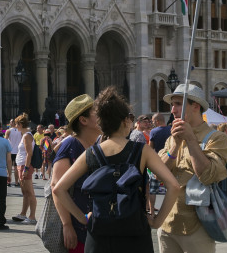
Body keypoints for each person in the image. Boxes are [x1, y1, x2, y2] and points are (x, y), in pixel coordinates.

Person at [54, 87, 180, 253]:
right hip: (134, 233)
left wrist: (83, 218)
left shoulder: (90, 153)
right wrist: (157, 221)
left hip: (98, 233)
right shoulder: (142, 151)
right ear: (125, 121)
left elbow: (58, 189)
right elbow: (174, 186)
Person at [156, 83, 227, 253]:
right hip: (168, 223)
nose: (173, 110)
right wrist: (174, 147)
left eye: (178, 104)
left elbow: (208, 176)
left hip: (198, 227)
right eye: (172, 104)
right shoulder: (171, 137)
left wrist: (190, 139)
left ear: (195, 106)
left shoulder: (216, 138)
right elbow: (159, 175)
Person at [52, 94, 101, 252]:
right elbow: (56, 186)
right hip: (78, 230)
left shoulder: (99, 145)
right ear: (84, 120)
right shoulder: (71, 145)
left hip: (96, 229)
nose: (102, 115)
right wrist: (66, 224)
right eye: (97, 112)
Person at [11, 114, 37, 223]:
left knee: (30, 192)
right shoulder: (24, 135)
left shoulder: (27, 136)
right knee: (25, 192)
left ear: (20, 124)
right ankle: (23, 213)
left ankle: (32, 216)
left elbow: (29, 153)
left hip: (25, 166)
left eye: (16, 124)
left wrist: (25, 169)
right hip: (20, 165)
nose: (15, 126)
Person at [148, 113, 173, 215]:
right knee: (170, 188)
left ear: (157, 121)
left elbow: (150, 149)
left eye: (153, 121)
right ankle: (169, 211)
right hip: (170, 162)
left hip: (158, 163)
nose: (152, 123)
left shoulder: (154, 132)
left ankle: (152, 212)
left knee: (153, 189)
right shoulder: (171, 130)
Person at [5, 117, 23, 186]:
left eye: (10, 122)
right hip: (17, 151)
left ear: (11, 123)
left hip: (10, 151)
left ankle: (9, 181)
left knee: (9, 167)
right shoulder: (20, 131)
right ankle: (16, 182)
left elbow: (5, 140)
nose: (10, 123)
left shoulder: (8, 131)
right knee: (16, 167)